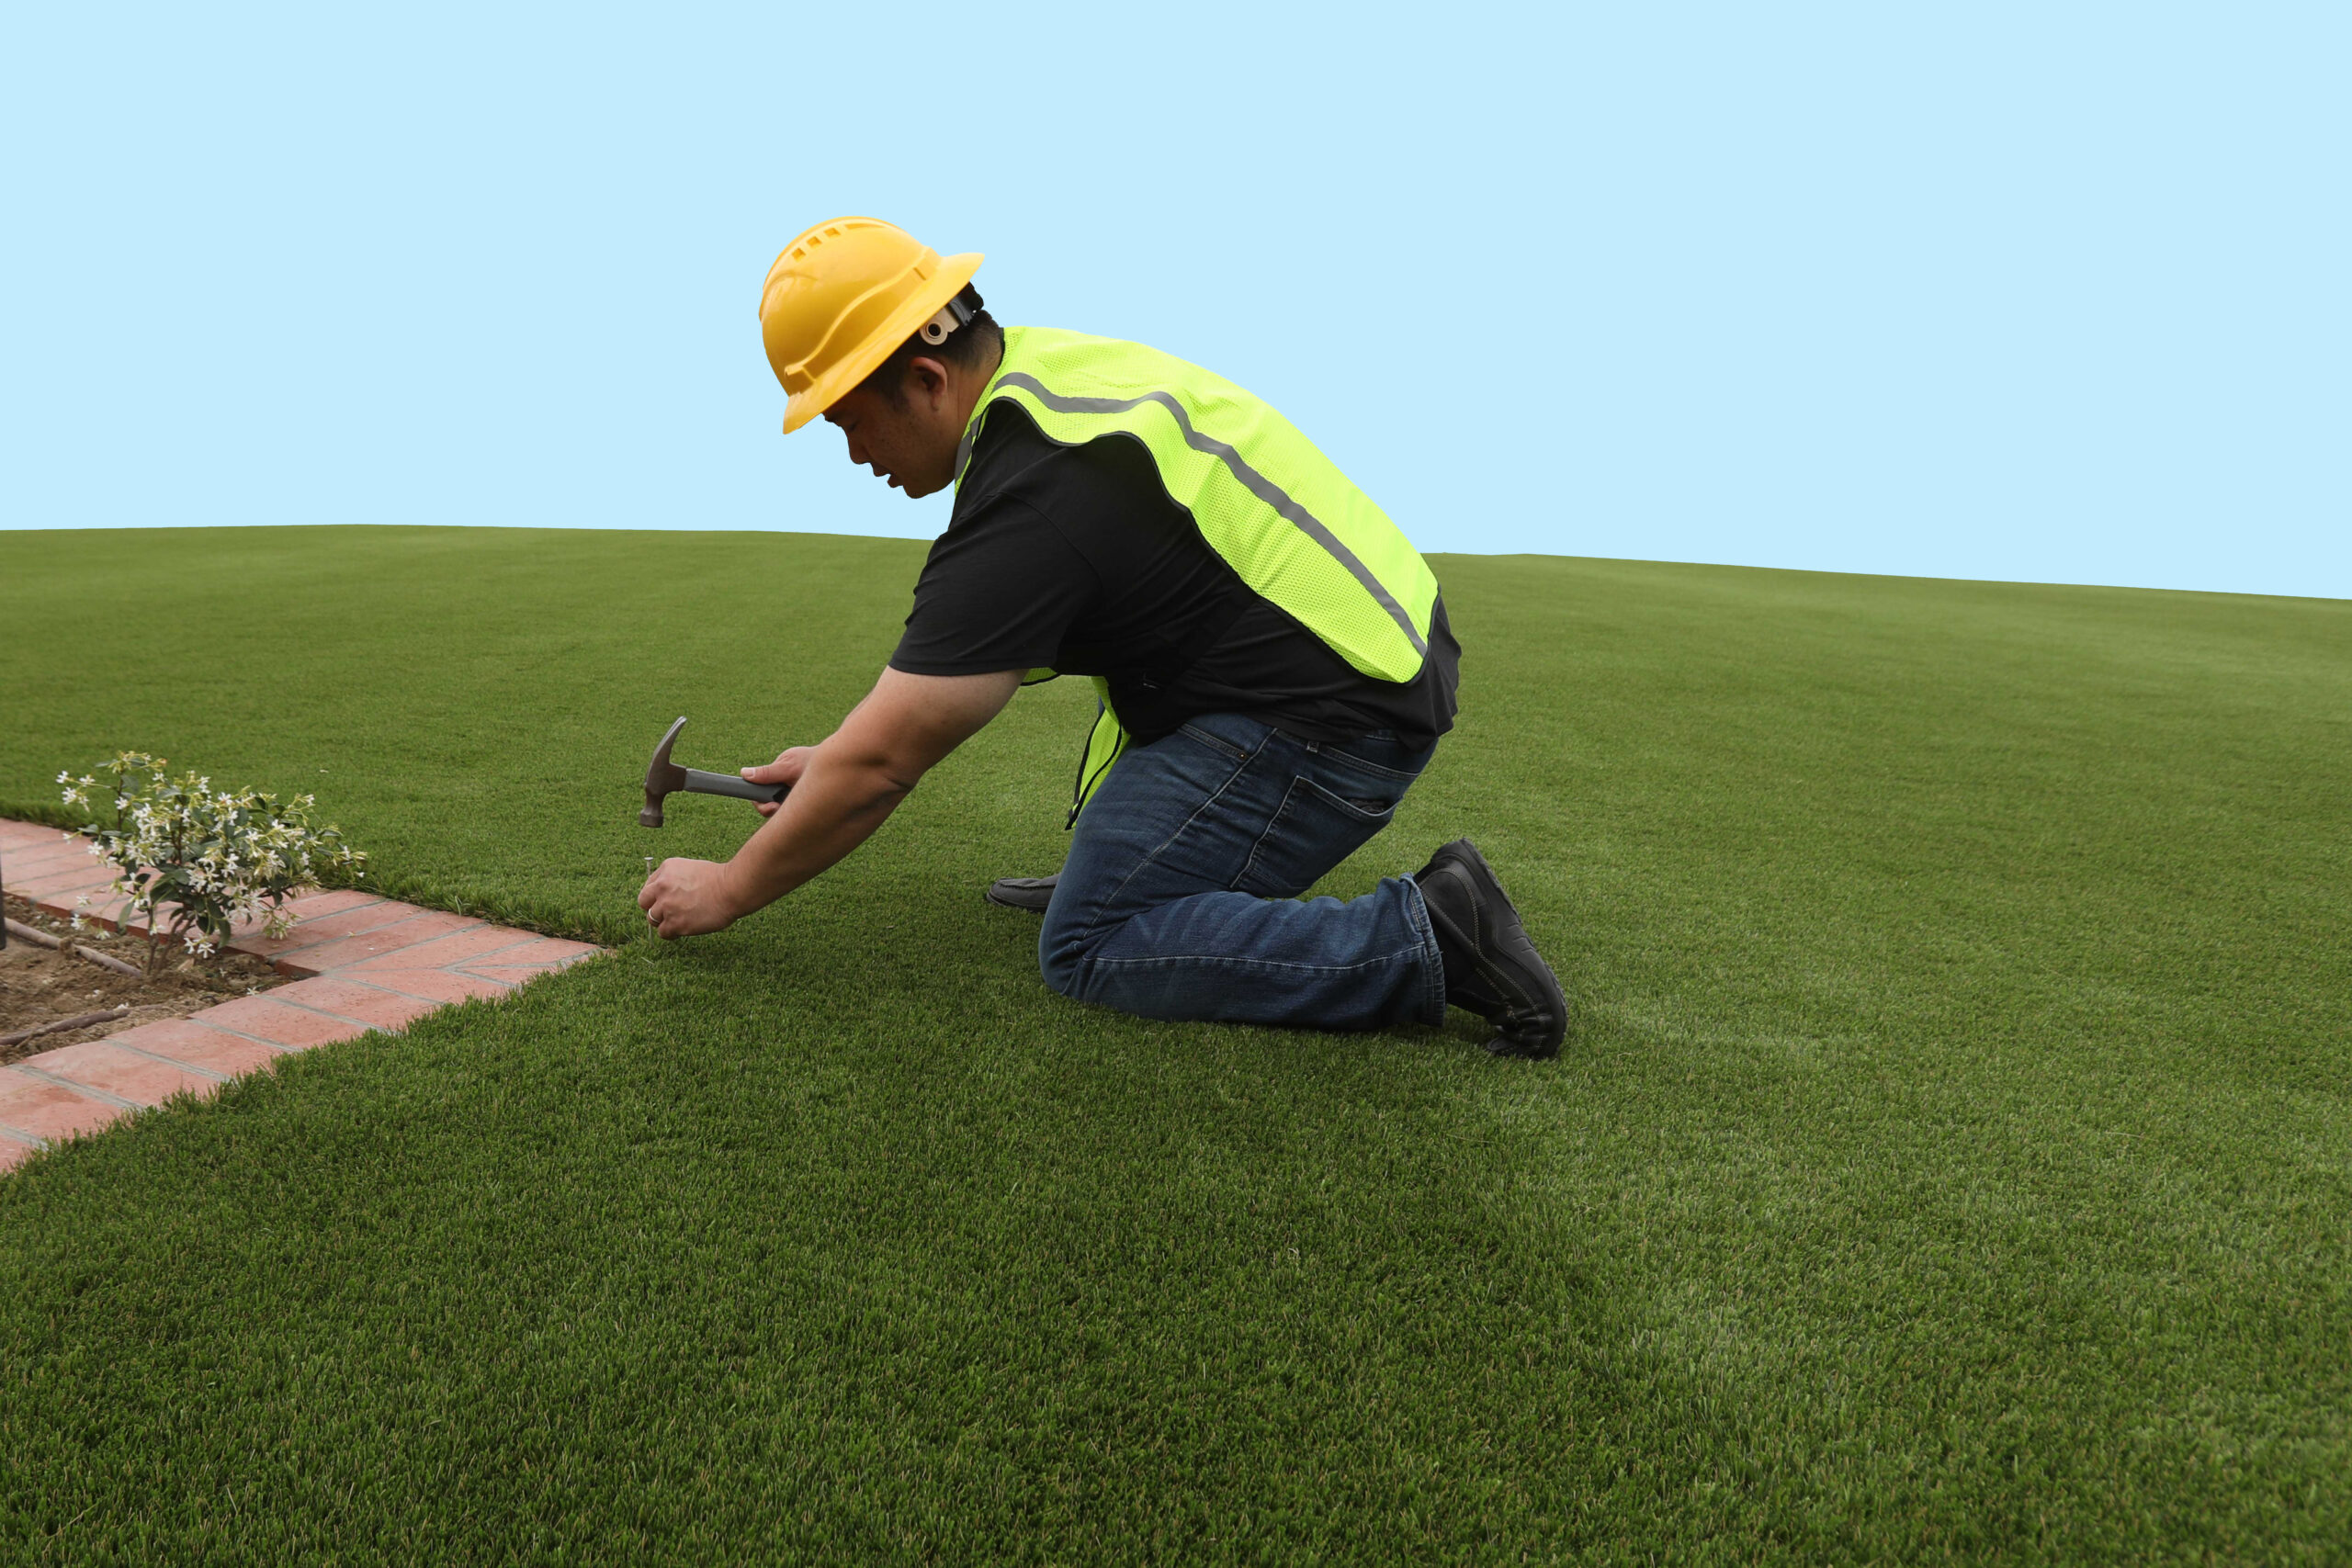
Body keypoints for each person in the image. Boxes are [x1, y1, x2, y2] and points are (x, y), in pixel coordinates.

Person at [639, 217, 1566, 1057]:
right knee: (1109, 870)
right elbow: (946, 688)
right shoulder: (1047, 378)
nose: (853, 455)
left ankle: (1429, 935)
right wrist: (840, 754)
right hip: (1349, 657)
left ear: (923, 380)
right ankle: (1136, 866)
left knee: (1091, 945)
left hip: (1336, 715)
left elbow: (887, 759)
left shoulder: (1035, 492)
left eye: (847, 420)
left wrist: (728, 889)